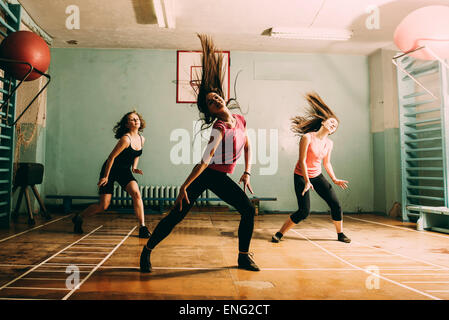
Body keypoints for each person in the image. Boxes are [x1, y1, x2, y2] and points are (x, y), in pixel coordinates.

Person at [139, 34, 259, 273]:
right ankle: (147, 251)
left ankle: (243, 257)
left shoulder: (240, 120)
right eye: (210, 102)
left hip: (220, 175)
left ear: (223, 99)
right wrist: (184, 186)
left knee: (247, 210)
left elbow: (247, 144)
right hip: (210, 174)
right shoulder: (219, 127)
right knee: (177, 216)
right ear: (210, 111)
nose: (215, 100)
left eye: (216, 96)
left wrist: (247, 171)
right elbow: (205, 161)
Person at [271, 93, 351, 244]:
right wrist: (307, 181)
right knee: (304, 212)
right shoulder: (307, 137)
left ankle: (340, 234)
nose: (333, 125)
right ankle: (279, 233)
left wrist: (334, 179)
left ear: (333, 131)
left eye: (335, 126)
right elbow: (302, 161)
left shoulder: (329, 143)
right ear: (323, 122)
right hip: (301, 176)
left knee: (336, 204)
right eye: (331, 121)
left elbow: (327, 163)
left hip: (317, 175)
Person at [72, 110, 151, 238]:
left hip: (124, 171)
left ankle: (142, 227)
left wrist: (134, 168)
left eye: (137, 118)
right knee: (103, 206)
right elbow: (111, 158)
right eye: (132, 119)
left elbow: (137, 154)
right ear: (127, 124)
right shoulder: (125, 139)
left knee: (136, 193)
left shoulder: (142, 139)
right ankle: (79, 217)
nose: (136, 120)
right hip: (110, 169)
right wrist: (106, 176)